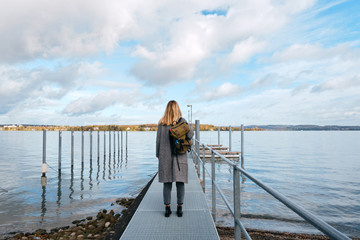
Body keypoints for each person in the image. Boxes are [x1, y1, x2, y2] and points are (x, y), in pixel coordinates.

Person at [156, 100, 194, 217]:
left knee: (167, 183)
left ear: (166, 109)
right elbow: (190, 135)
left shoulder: (161, 123)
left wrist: (158, 155)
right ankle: (179, 208)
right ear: (178, 109)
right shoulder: (182, 121)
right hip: (180, 156)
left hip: (165, 156)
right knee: (180, 182)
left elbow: (157, 141)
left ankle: (167, 209)